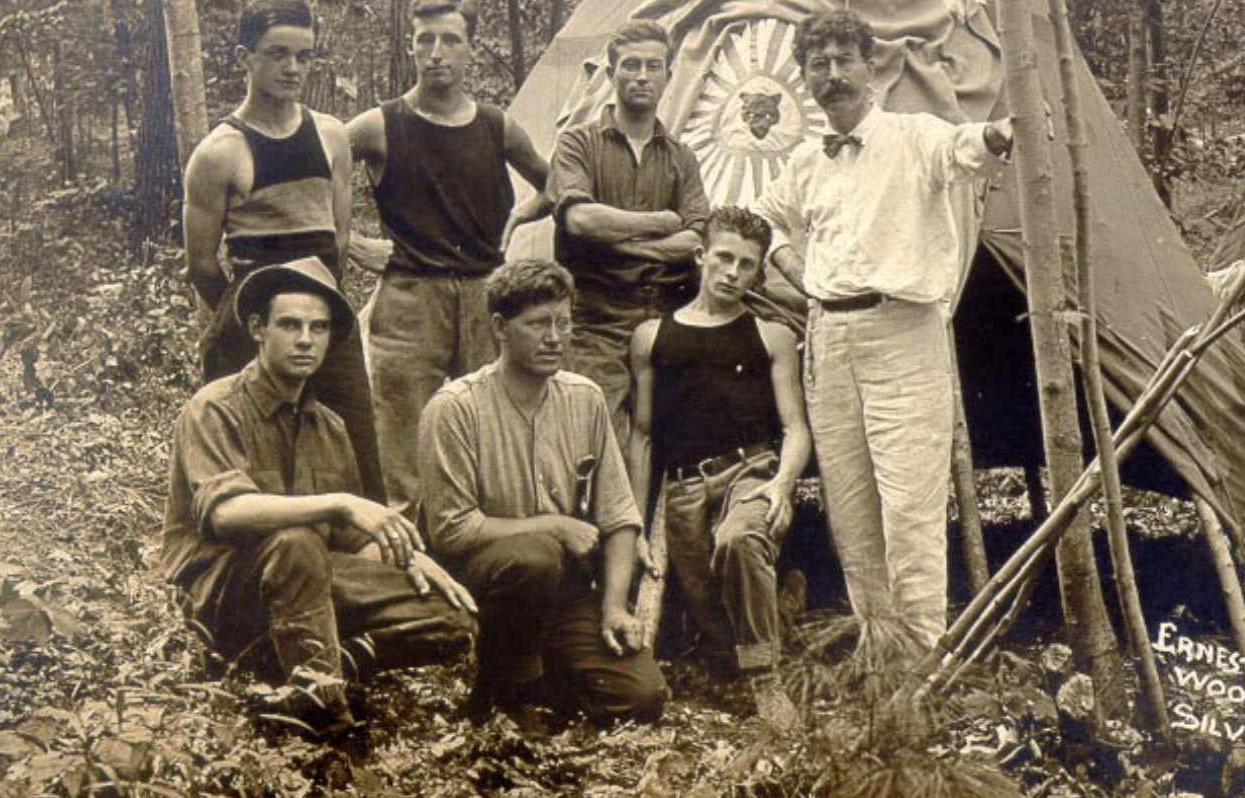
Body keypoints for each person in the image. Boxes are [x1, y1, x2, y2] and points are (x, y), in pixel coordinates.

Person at [752, 10, 1014, 650]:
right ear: (806, 77)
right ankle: (879, 649)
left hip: (904, 332)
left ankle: (923, 656)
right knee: (851, 507)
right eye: (820, 64)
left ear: (871, 69)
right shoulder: (806, 162)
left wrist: (1006, 132)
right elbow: (762, 222)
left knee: (908, 507)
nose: (833, 74)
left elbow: (968, 148)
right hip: (828, 339)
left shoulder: (913, 135)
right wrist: (798, 269)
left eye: (845, 60)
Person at [161, 257, 477, 737]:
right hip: (223, 593)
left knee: (450, 618)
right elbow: (225, 514)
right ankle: (325, 721)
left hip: (306, 590)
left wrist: (406, 558)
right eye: (289, 325)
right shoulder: (214, 407)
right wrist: (339, 503)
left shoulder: (330, 426)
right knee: (297, 543)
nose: (305, 339)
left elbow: (349, 542)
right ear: (257, 329)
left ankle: (296, 669)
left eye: (318, 327)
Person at [417, 259, 666, 726]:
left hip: (565, 591)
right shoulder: (454, 408)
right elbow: (451, 530)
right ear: (499, 328)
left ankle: (533, 679)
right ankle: (512, 686)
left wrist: (614, 605)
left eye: (563, 323)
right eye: (537, 324)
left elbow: (619, 517)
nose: (555, 337)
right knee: (534, 556)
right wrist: (553, 525)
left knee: (641, 697)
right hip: (481, 589)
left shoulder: (585, 398)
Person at [346, 0, 551, 520]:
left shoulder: (495, 125)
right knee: (403, 442)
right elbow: (315, 166)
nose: (437, 51)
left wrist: (525, 214)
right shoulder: (379, 125)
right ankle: (408, 563)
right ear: (411, 47)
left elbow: (557, 183)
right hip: (409, 297)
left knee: (489, 424)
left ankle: (490, 553)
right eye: (425, 40)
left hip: (486, 296)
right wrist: (346, 239)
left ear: (470, 49)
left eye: (451, 40)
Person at [182, 0, 383, 501]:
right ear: (244, 58)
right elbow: (203, 265)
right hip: (255, 322)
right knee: (251, 460)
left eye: (304, 55)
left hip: (326, 317)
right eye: (277, 54)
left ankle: (371, 567)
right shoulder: (219, 153)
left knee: (357, 445)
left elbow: (336, 240)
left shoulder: (332, 136)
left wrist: (320, 311)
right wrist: (245, 316)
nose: (292, 68)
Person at [628, 206, 809, 722]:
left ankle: (767, 680)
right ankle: (785, 606)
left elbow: (795, 426)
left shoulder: (770, 336)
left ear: (758, 273)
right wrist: (636, 523)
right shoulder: (650, 337)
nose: (733, 272)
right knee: (712, 630)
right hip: (683, 489)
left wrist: (782, 483)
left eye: (747, 264)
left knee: (739, 539)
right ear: (701, 256)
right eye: (724, 258)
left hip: (748, 473)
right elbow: (641, 436)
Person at [547, 19, 710, 439]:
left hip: (665, 314)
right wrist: (659, 224)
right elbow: (579, 219)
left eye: (653, 67)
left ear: (668, 77)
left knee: (668, 437)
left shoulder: (681, 157)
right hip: (594, 319)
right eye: (631, 65)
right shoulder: (577, 143)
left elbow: (694, 240)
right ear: (611, 73)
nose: (642, 76)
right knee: (597, 437)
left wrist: (618, 243)